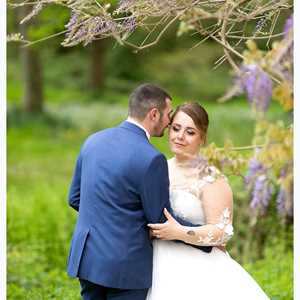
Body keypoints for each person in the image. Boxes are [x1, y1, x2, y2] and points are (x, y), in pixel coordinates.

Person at [66, 84, 212, 300]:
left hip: (88, 259)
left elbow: (75, 198)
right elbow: (159, 219)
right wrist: (205, 238)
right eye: (168, 114)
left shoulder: (93, 141)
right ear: (154, 114)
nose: (169, 121)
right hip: (125, 266)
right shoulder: (151, 158)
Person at [147, 102, 269, 300]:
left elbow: (223, 232)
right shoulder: (159, 169)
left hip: (198, 269)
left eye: (190, 132)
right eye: (176, 128)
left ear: (202, 137)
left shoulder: (210, 177)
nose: (179, 136)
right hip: (157, 264)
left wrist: (179, 232)